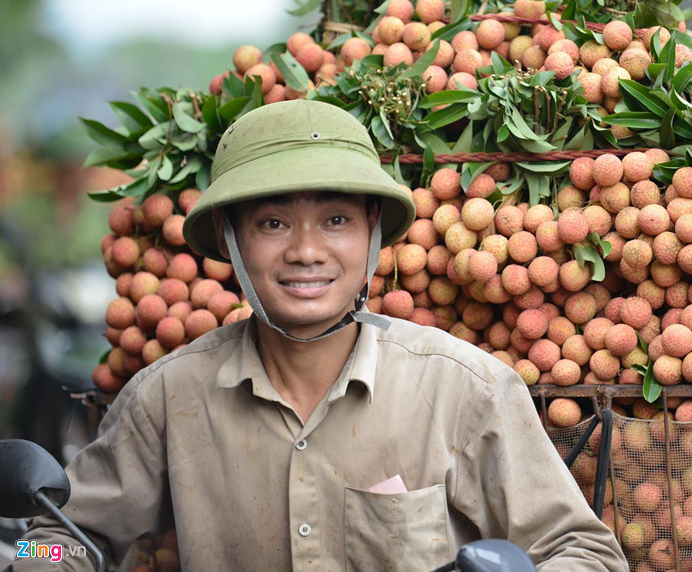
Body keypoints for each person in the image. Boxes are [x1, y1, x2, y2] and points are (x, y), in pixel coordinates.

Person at [10, 101, 627, 571]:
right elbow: (66, 541)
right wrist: (33, 561)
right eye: (273, 223)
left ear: (370, 238)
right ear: (230, 240)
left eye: (335, 220)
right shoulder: (169, 398)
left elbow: (584, 552)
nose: (307, 251)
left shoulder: (465, 390)